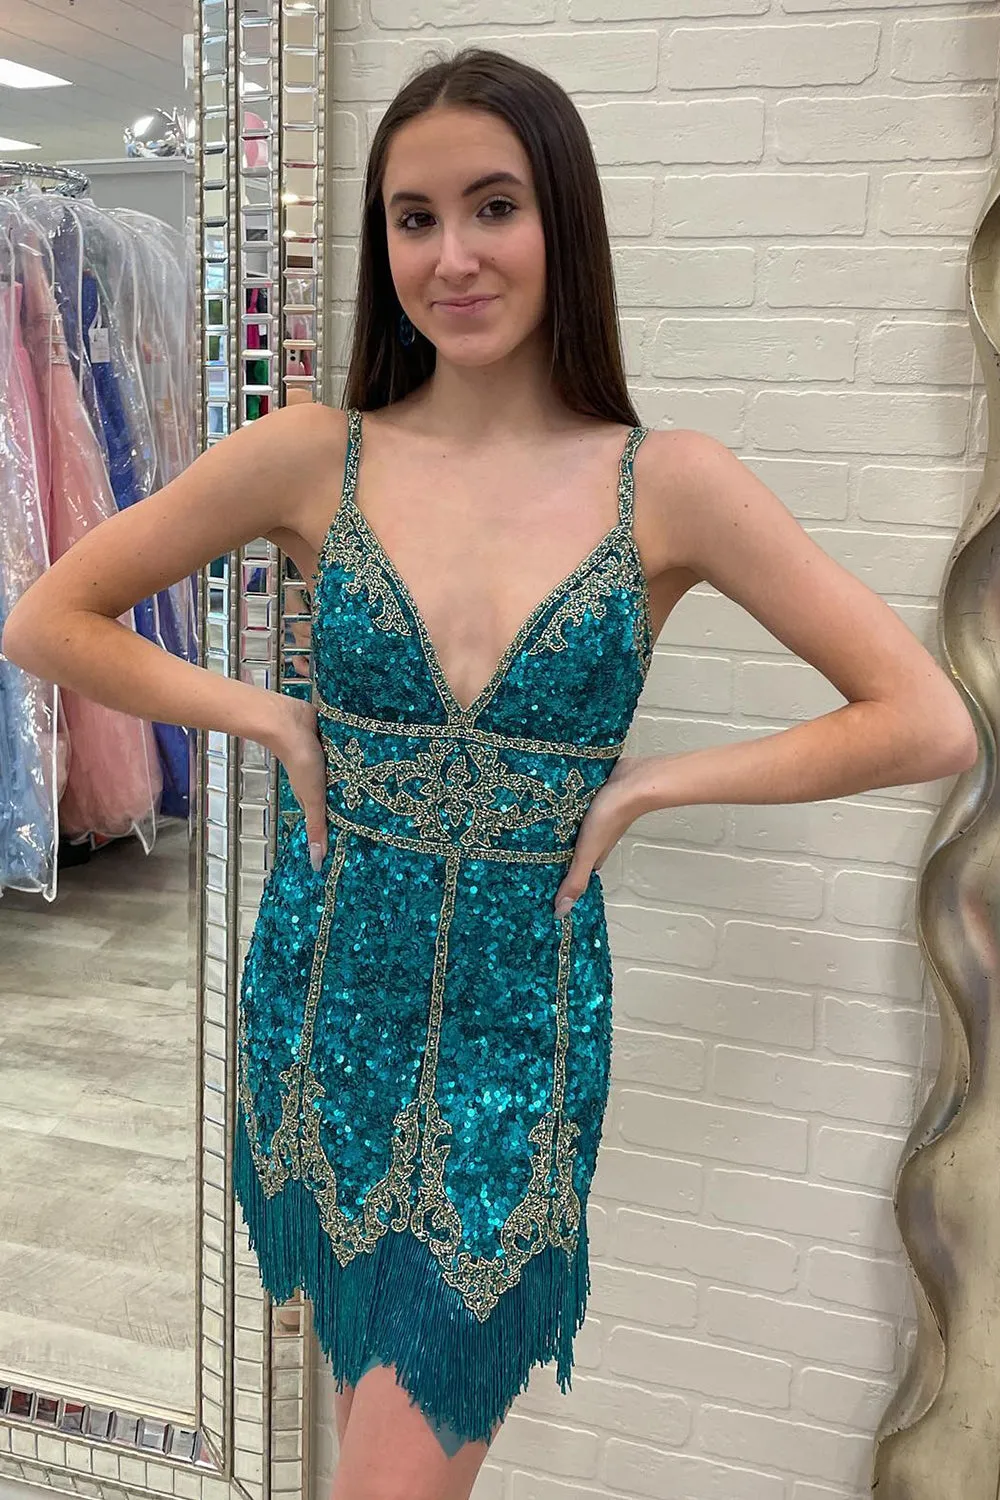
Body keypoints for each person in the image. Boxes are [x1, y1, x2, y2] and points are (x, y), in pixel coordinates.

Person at [2, 44, 977, 1500]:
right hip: (321, 995)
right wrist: (268, 718)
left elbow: (925, 719)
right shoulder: (309, 455)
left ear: (560, 222)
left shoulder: (669, 482)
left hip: (519, 1037)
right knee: (369, 1431)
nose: (451, 255)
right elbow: (48, 618)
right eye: (414, 218)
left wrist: (650, 786)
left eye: (493, 207)